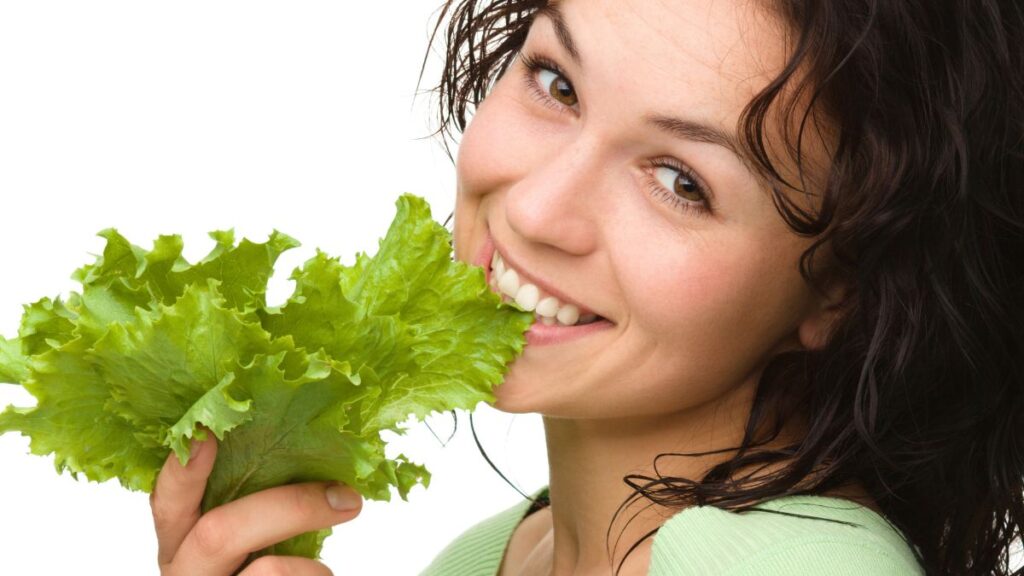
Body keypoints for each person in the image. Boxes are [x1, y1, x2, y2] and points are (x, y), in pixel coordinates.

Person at [148, 0, 1023, 574]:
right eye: (556, 83)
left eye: (682, 181)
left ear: (840, 292)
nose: (533, 210)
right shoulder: (488, 558)